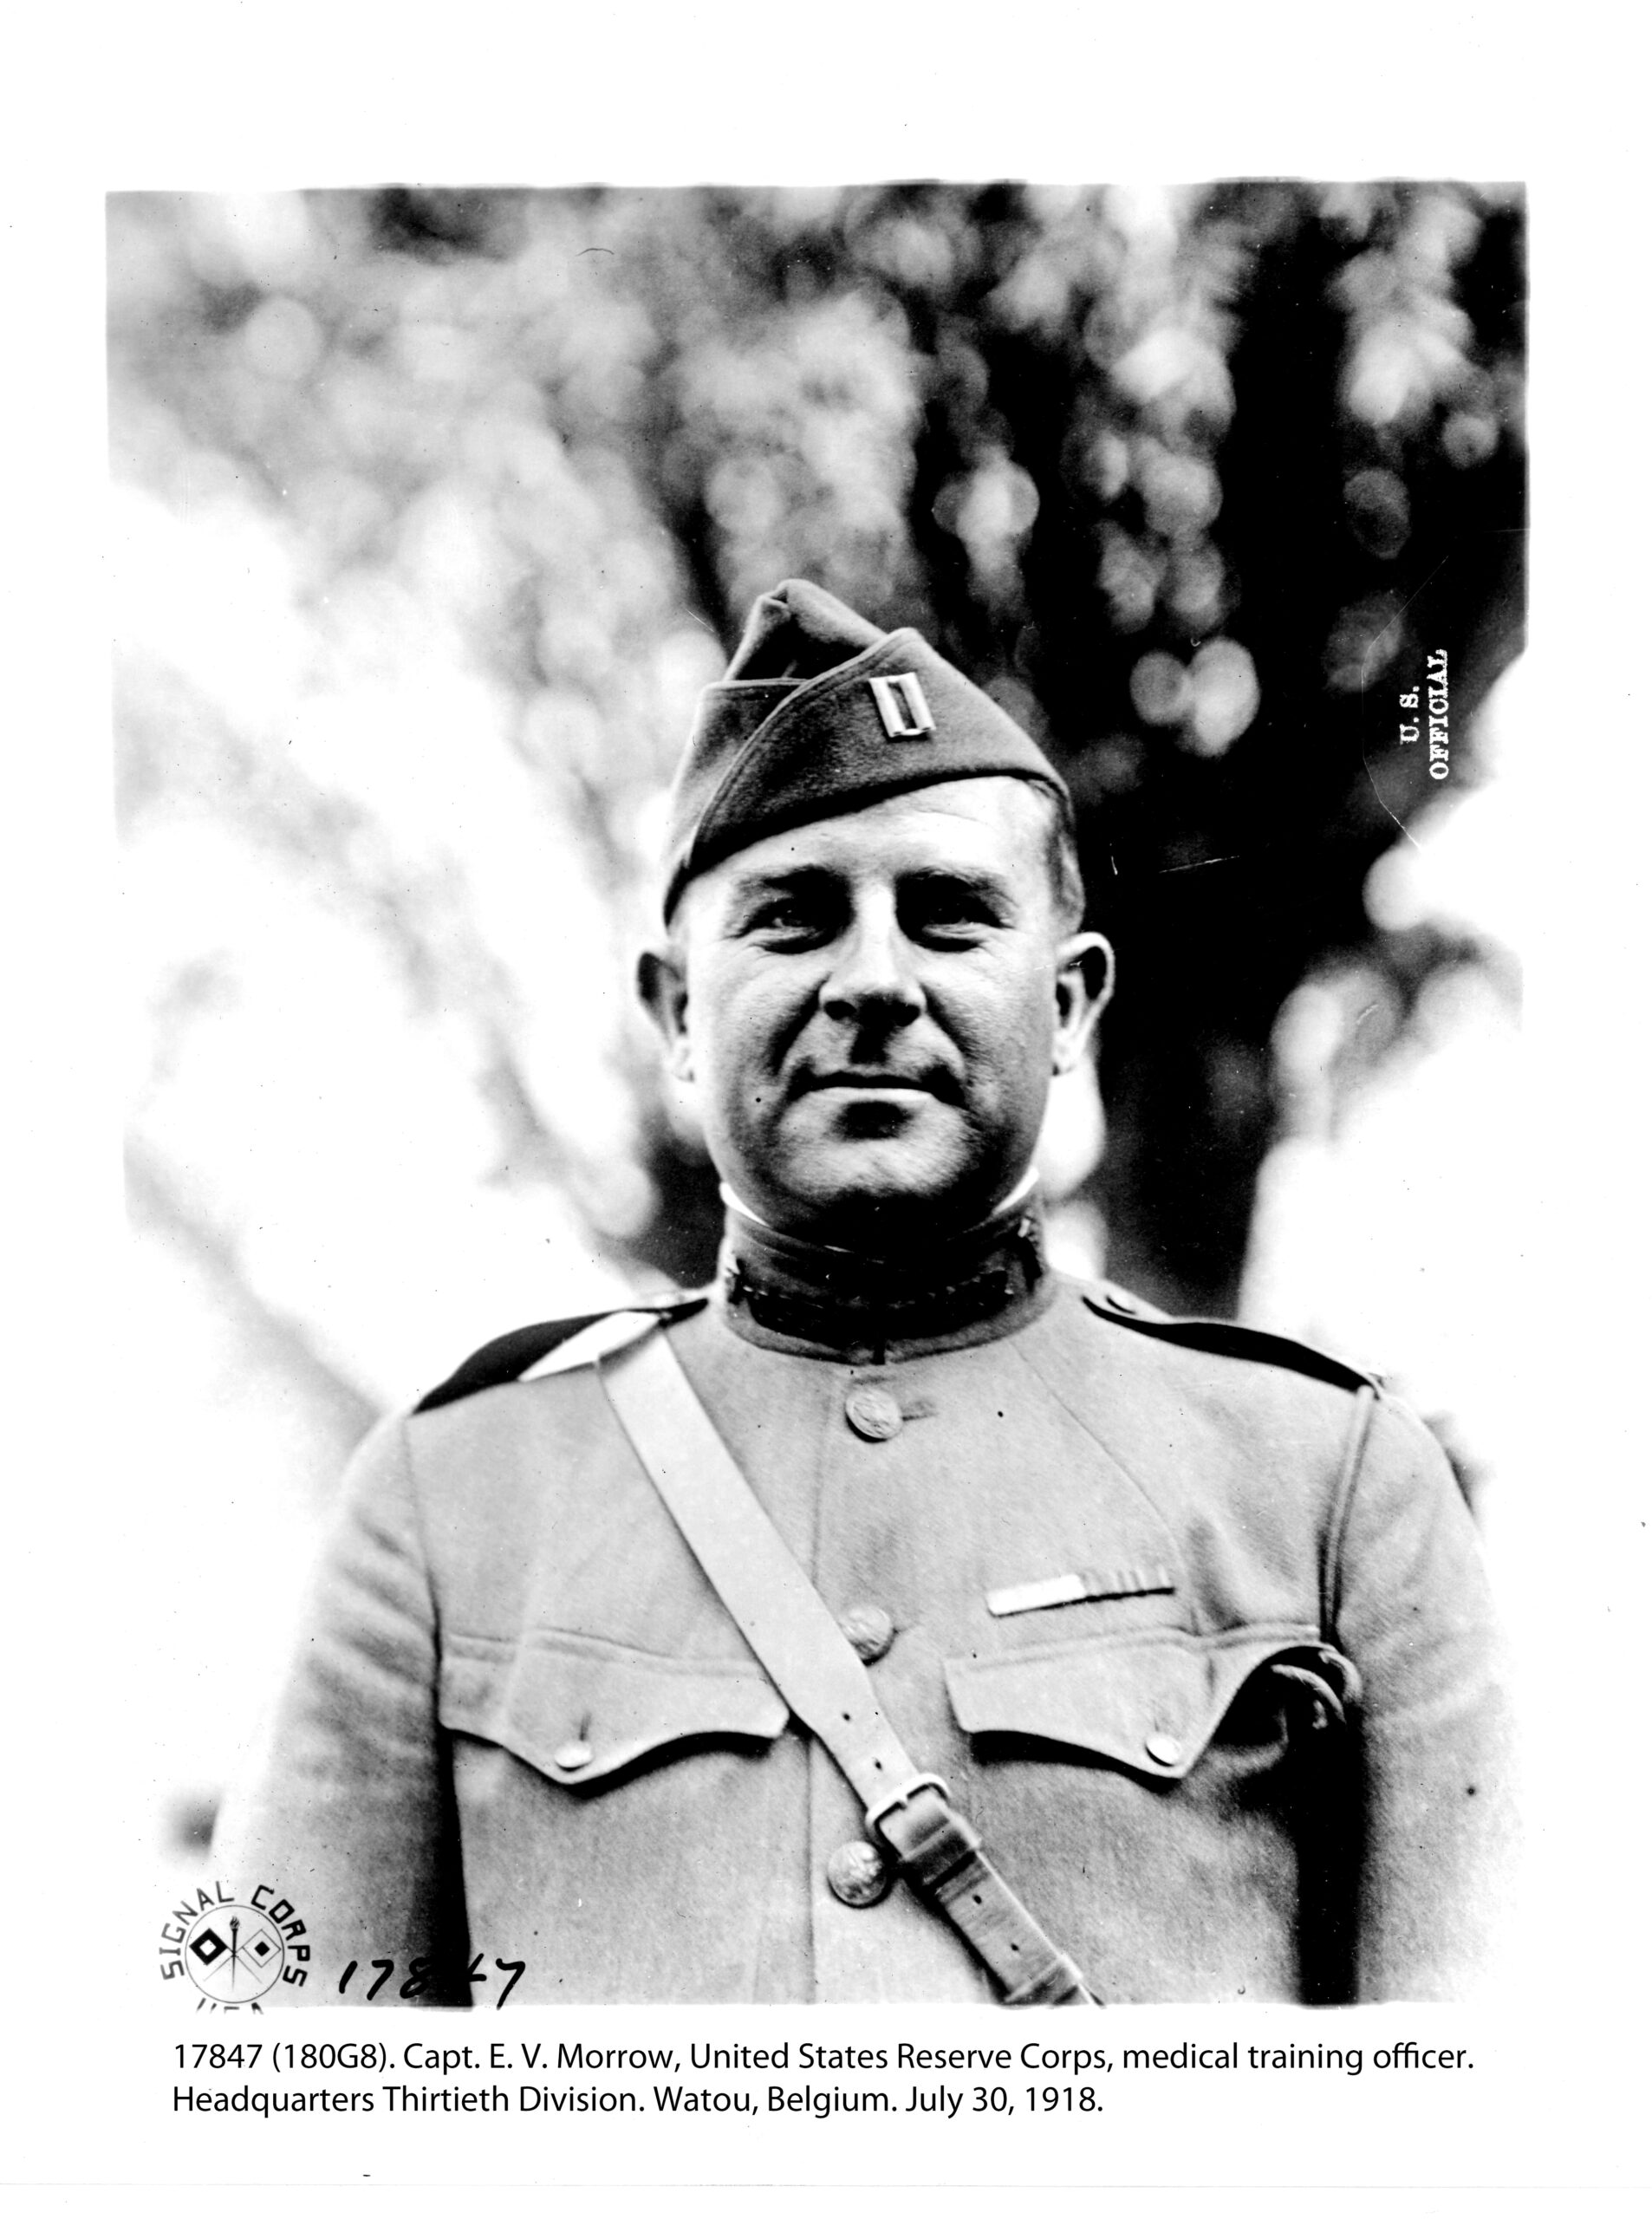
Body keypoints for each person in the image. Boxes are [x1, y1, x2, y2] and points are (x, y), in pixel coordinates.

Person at [215, 579, 1513, 2007]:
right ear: (676, 1011)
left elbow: (1470, 2081)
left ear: (1069, 1004)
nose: (875, 981)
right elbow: (288, 2078)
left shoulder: (1328, 1486)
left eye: (949, 915)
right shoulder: (446, 1507)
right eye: (792, 918)